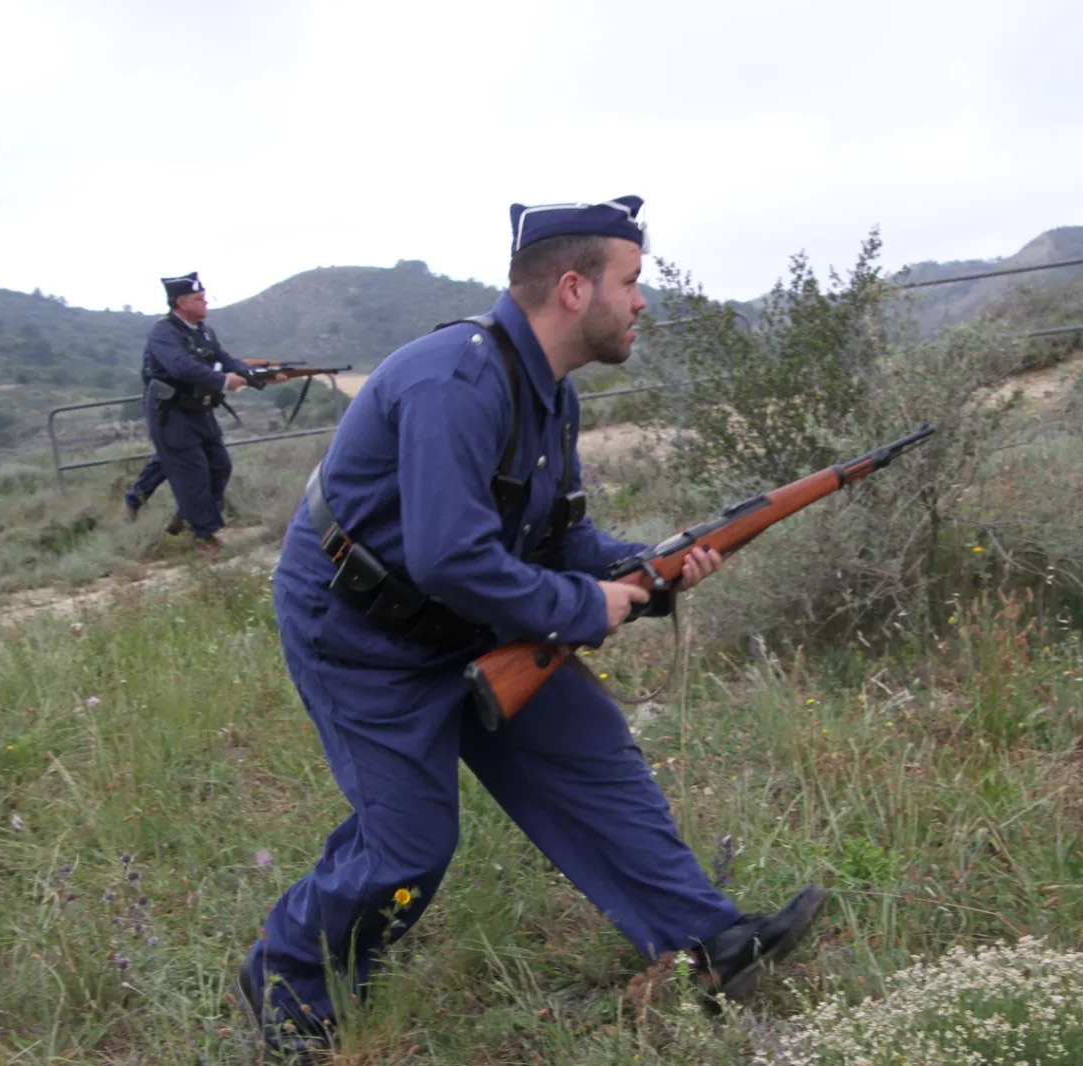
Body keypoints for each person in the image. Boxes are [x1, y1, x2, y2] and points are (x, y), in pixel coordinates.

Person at [236, 197, 826, 1058]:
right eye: (632, 282)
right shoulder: (454, 380)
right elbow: (450, 555)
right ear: (575, 288)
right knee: (408, 849)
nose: (642, 301)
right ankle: (289, 986)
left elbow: (557, 539)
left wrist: (646, 571)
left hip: (470, 618)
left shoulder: (547, 395)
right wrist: (586, 607)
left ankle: (708, 943)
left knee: (593, 757)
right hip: (360, 631)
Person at [139, 272, 273, 557]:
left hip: (199, 409)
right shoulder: (164, 332)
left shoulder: (203, 331)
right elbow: (180, 367)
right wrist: (225, 381)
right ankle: (204, 536)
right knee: (194, 472)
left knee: (220, 466)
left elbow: (225, 359)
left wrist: (259, 376)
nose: (205, 304)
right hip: (171, 412)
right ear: (181, 303)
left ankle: (188, 516)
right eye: (199, 299)